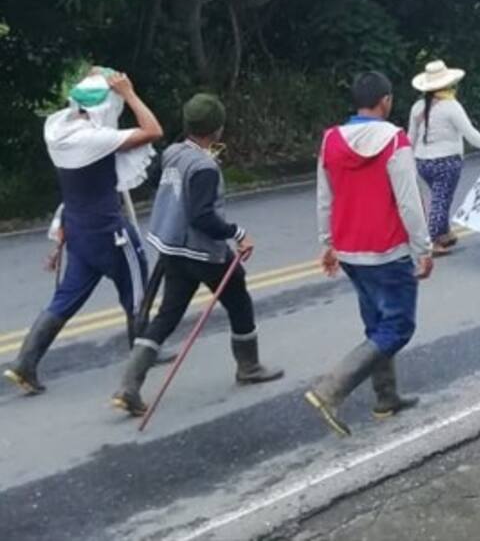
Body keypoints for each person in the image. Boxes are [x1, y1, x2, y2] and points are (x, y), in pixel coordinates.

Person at [111, 94, 283, 415]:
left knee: (167, 315)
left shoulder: (173, 153)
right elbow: (203, 217)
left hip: (172, 248)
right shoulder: (205, 167)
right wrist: (238, 234)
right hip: (202, 252)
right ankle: (249, 366)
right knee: (239, 299)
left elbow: (155, 184)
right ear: (217, 130)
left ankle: (129, 384)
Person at [4, 70, 162, 395]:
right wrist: (130, 94)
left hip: (78, 231)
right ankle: (139, 359)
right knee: (137, 293)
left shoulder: (57, 130)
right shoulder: (94, 140)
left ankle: (25, 363)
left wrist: (97, 76)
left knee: (64, 299)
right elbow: (153, 130)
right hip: (110, 233)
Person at [307, 71, 433, 437]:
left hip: (350, 251)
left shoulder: (330, 140)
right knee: (398, 327)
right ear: (386, 101)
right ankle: (331, 389)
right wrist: (423, 248)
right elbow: (409, 202)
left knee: (377, 324)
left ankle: (386, 398)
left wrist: (327, 241)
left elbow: (324, 196)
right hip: (389, 250)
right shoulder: (395, 140)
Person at [408, 60, 480, 256]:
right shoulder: (451, 106)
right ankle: (433, 241)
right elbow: (470, 133)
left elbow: (411, 137)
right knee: (441, 200)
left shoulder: (417, 106)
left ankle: (444, 234)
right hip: (447, 161)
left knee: (439, 197)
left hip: (422, 162)